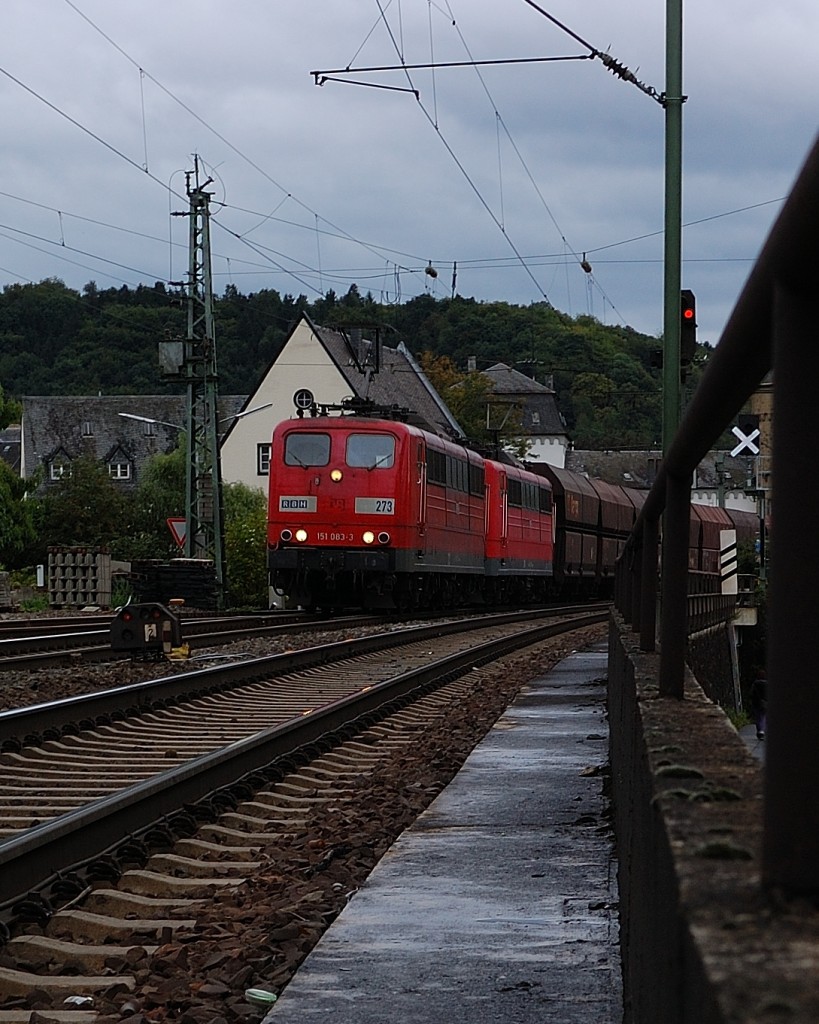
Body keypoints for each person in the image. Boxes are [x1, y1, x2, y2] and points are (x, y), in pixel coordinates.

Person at [750, 669, 767, 741]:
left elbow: (751, 693)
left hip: (756, 703)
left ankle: (760, 731)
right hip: (766, 703)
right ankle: (763, 731)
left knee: (758, 717)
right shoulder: (767, 684)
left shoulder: (755, 684)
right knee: (764, 716)